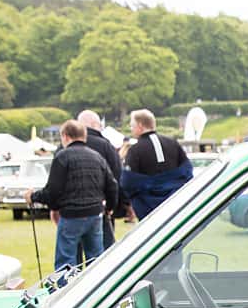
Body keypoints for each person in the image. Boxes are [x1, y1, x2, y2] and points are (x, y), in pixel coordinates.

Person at [33, 120, 117, 268]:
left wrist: (33, 196)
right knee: (96, 260)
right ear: (84, 136)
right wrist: (109, 207)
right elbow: (112, 185)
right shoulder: (97, 157)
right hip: (95, 213)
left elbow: (53, 191)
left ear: (65, 136)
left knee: (66, 263)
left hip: (71, 215)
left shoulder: (62, 157)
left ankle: (67, 289)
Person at [119, 109, 194, 218]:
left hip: (148, 208)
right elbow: (187, 170)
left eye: (132, 126)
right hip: (176, 202)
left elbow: (127, 182)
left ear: (140, 125)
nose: (131, 129)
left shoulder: (135, 150)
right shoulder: (172, 143)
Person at [77, 110, 126, 242]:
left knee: (72, 254)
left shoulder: (64, 147)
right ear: (94, 124)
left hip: (72, 209)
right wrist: (114, 205)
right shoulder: (105, 145)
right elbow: (116, 177)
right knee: (104, 250)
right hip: (100, 206)